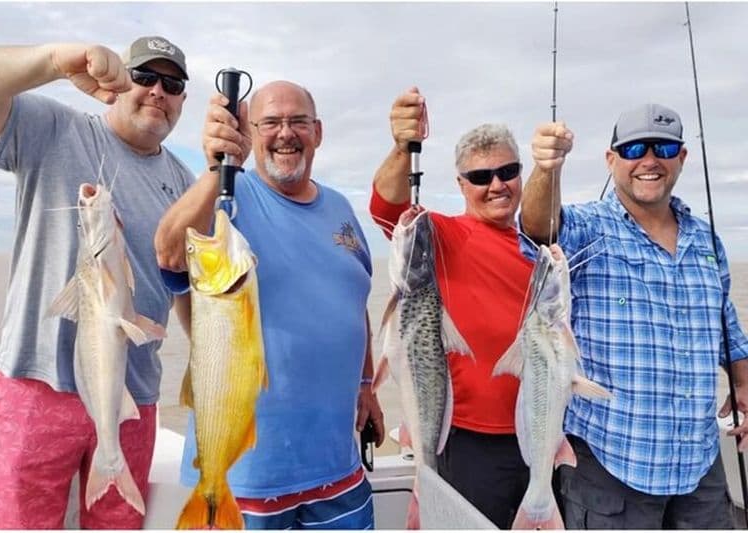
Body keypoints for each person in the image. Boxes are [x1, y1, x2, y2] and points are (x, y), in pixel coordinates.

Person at [0, 36, 195, 528]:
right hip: (33, 388)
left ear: (183, 99)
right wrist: (55, 61)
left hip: (134, 398)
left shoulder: (185, 183)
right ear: (121, 82)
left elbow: (187, 286)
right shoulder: (56, 128)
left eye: (173, 84)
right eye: (145, 77)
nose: (157, 92)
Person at [154, 80, 385, 529]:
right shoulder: (228, 197)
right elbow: (168, 251)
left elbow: (354, 302)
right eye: (271, 123)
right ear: (250, 132)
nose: (285, 133)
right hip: (249, 483)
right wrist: (218, 167)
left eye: (298, 121)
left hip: (340, 474)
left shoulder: (339, 207)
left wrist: (365, 382)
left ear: (317, 131)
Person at [520, 103, 748, 528]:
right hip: (612, 468)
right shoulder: (588, 227)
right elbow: (538, 227)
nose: (649, 160)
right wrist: (546, 169)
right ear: (611, 160)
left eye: (663, 148)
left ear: (681, 158)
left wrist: (743, 382)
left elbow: (727, 329)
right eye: (633, 149)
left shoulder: (706, 239)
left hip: (699, 465)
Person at [368, 87, 533, 529]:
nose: (496, 184)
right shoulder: (439, 235)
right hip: (467, 441)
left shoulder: (544, 245)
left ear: (522, 174)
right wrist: (404, 147)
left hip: (543, 433)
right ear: (461, 185)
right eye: (480, 177)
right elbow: (385, 208)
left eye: (507, 171)